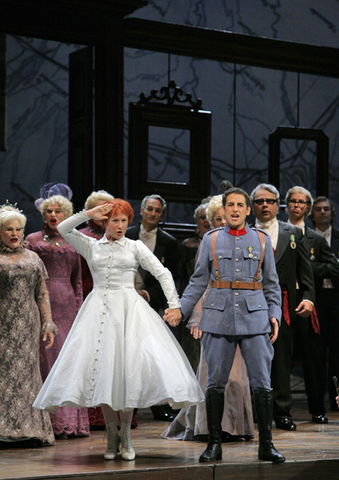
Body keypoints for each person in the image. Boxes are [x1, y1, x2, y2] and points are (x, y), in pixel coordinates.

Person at [33, 199, 204, 461]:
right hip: (99, 311)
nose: (121, 226)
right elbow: (66, 229)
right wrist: (88, 213)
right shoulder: (91, 246)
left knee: (127, 373)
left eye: (125, 221)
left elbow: (162, 272)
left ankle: (125, 434)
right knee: (105, 373)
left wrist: (175, 305)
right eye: (115, 220)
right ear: (105, 222)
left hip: (129, 311)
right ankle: (111, 435)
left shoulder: (135, 246)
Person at [165, 187, 285, 464]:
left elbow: (271, 284)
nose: (234, 209)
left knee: (262, 384)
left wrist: (274, 314)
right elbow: (197, 281)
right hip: (218, 318)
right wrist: (180, 311)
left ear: (247, 209)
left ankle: (266, 444)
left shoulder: (262, 240)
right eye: (230, 204)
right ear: (225, 208)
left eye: (240, 205)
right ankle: (214, 444)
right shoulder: (211, 239)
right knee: (215, 384)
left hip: (255, 318)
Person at [162, 194, 254, 442]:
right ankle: (207, 426)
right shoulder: (209, 245)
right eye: (218, 217)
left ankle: (235, 426)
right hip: (214, 315)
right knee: (212, 373)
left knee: (236, 374)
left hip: (241, 316)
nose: (224, 220)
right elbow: (201, 284)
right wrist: (196, 318)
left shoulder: (250, 241)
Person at [26, 183, 90, 438]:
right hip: (42, 303)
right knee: (46, 360)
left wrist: (80, 309)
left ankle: (71, 422)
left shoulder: (75, 241)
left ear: (66, 214)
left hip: (67, 306)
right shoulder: (32, 241)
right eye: (49, 211)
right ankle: (47, 422)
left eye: (58, 211)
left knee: (68, 361)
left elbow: (77, 281)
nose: (53, 215)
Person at [250, 183, 315, 431]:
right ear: (252, 206)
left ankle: (282, 412)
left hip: (284, 304)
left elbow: (305, 272)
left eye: (270, 201)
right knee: (253, 359)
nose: (264, 205)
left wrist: (308, 297)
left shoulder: (292, 233)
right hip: (251, 304)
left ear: (278, 204)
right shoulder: (245, 233)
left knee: (281, 361)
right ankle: (256, 412)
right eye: (259, 201)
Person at [0, 201, 57, 447]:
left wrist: (48, 322)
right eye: (8, 229)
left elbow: (41, 293)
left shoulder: (33, 257)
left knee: (27, 374)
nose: (14, 234)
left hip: (28, 322)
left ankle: (30, 428)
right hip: (3, 322)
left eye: (18, 229)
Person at [285, 186, 339, 423]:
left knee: (313, 358)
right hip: (284, 302)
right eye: (292, 201)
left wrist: (306, 268)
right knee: (281, 358)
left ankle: (317, 408)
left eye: (301, 202)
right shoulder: (277, 233)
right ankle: (280, 411)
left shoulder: (315, 237)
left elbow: (334, 267)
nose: (297, 205)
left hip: (310, 303)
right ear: (286, 205)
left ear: (307, 208)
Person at [125, 194, 180, 421]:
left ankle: (158, 405)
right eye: (150, 209)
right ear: (141, 211)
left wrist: (149, 294)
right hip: (125, 303)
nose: (153, 214)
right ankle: (129, 407)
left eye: (158, 211)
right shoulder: (125, 234)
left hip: (150, 305)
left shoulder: (169, 242)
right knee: (128, 354)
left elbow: (171, 277)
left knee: (152, 355)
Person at [310, 196, 339, 411]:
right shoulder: (307, 238)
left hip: (337, 300)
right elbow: (304, 269)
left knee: (337, 353)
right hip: (316, 300)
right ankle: (317, 405)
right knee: (317, 355)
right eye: (318, 209)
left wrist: (316, 267)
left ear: (332, 213)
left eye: (326, 209)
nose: (322, 212)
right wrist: (330, 267)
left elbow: (311, 268)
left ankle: (336, 401)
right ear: (313, 214)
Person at [177, 202, 211, 372]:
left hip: (213, 303)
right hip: (192, 304)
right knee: (191, 350)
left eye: (208, 217)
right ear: (196, 221)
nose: (206, 221)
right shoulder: (187, 246)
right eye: (202, 217)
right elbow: (179, 278)